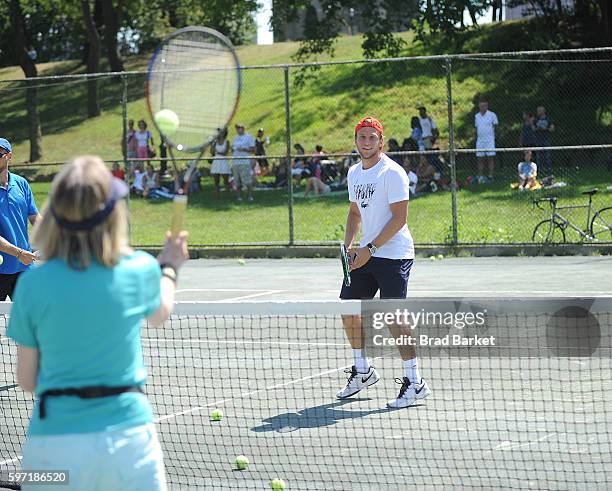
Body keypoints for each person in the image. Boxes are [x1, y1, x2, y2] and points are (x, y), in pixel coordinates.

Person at [6, 155, 188, 490]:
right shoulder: (139, 268)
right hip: (130, 443)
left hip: (52, 448)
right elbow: (162, 312)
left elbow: (28, 380)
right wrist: (170, 265)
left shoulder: (32, 284)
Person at [337, 116, 429, 409]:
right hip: (365, 252)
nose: (366, 142)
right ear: (356, 141)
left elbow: (400, 219)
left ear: (381, 141)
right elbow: (354, 213)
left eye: (371, 137)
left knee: (393, 317)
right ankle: (362, 372)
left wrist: (370, 248)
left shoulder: (392, 173)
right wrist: (350, 244)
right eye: (362, 137)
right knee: (349, 311)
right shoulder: (354, 173)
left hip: (394, 253)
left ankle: (415, 383)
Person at [0, 138, 40, 300]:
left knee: (32, 320)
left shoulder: (21, 183)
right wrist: (18, 253)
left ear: (9, 156)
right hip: (3, 267)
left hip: (24, 266)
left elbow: (35, 217)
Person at [475, 99, 498, 184]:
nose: (483, 107)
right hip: (480, 140)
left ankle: (490, 176)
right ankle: (480, 177)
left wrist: (493, 136)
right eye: (481, 106)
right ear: (479, 106)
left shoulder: (492, 115)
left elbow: (496, 125)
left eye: (484, 106)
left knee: (490, 158)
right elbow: (477, 127)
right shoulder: (476, 116)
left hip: (489, 140)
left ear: (487, 106)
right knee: (480, 158)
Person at [231, 123, 256, 202]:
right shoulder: (235, 138)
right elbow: (232, 149)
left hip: (244, 161)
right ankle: (239, 197)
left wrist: (244, 149)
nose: (238, 129)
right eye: (237, 128)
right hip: (235, 162)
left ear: (243, 128)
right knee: (237, 181)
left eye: (240, 128)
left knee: (247, 180)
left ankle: (250, 196)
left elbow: (253, 150)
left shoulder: (249, 137)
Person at [534, 105, 554, 177]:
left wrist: (545, 128)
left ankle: (549, 172)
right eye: (537, 110)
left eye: (539, 110)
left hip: (546, 140)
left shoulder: (548, 119)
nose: (538, 112)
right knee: (538, 157)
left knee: (547, 157)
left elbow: (552, 128)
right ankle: (539, 172)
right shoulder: (536, 119)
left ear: (543, 111)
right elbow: (533, 128)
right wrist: (538, 128)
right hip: (538, 140)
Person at [210, 127, 231, 197]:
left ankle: (227, 195)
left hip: (223, 162)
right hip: (216, 162)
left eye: (221, 132)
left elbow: (225, 152)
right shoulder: (215, 142)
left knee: (225, 180)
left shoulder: (227, 142)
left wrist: (217, 152)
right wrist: (212, 143)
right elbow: (212, 152)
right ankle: (217, 195)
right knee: (216, 180)